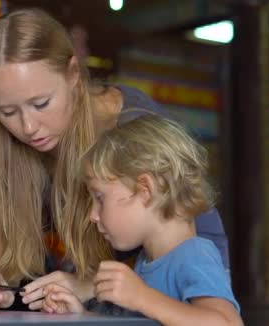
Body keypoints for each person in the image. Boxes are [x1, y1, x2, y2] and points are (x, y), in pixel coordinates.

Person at [0, 7, 229, 312]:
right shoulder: (2, 145)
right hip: (107, 288)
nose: (28, 127)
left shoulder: (133, 131)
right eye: (7, 112)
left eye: (41, 103)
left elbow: (170, 255)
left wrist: (90, 285)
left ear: (73, 74)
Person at [40, 115, 242, 326]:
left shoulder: (193, 255)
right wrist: (81, 315)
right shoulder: (146, 262)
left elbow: (228, 323)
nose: (93, 215)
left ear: (145, 190)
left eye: (100, 198)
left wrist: (142, 297)